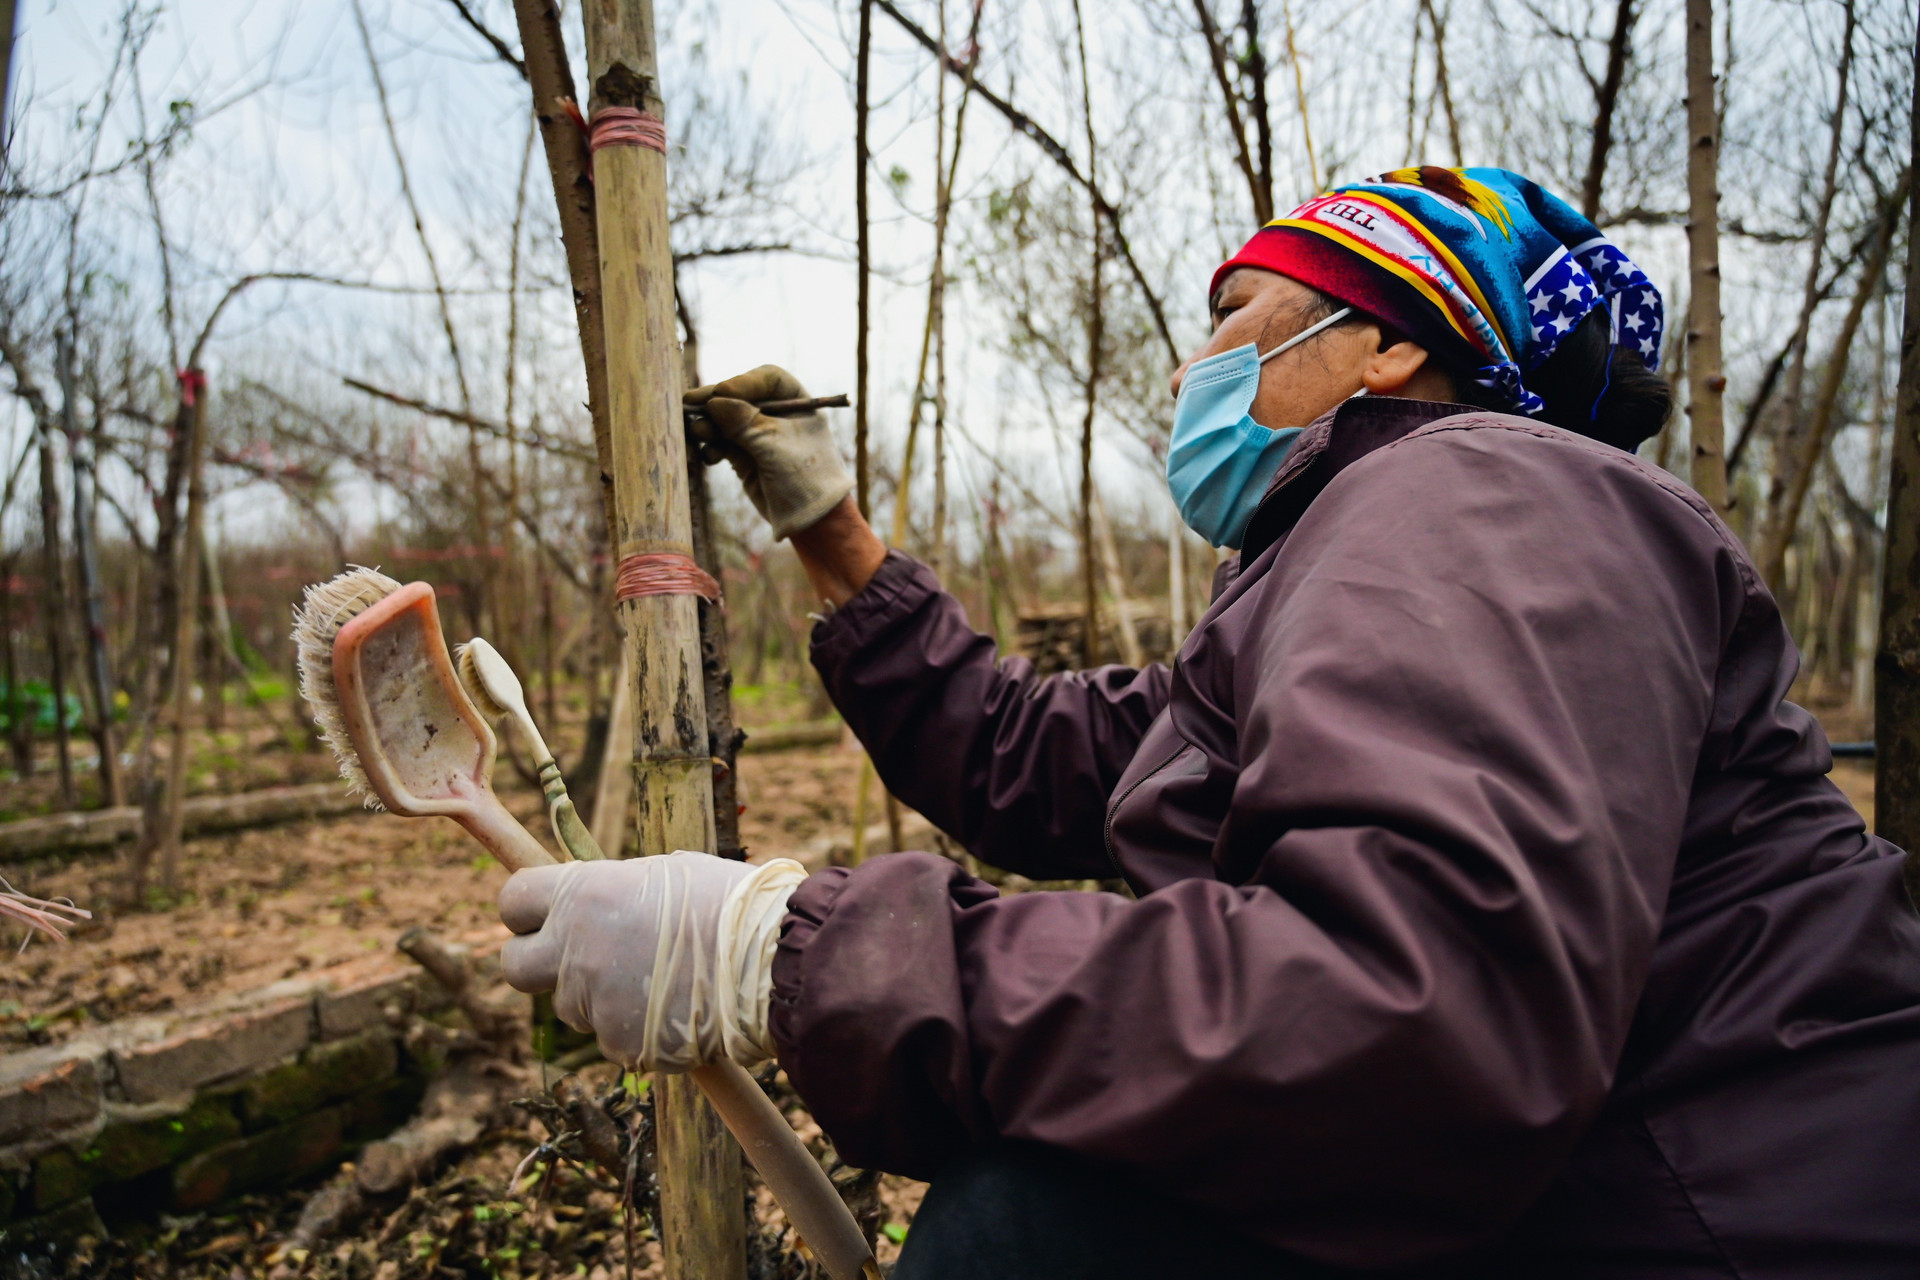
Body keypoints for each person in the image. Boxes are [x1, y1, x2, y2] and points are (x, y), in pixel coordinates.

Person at [495, 167, 1920, 1278]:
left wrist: (779, 951)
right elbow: (1029, 750)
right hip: (1616, 1193)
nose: (1194, 369)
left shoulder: (1473, 494)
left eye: (1234, 318)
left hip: (1722, 1223)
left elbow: (1409, 1007)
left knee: (1036, 1226)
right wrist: (831, 528)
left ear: (1378, 344)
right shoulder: (1345, 566)